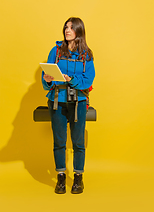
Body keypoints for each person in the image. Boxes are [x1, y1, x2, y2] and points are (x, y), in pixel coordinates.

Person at [41, 17, 95, 194]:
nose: (67, 30)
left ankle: (78, 178)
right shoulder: (55, 51)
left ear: (79, 30)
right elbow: (45, 79)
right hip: (58, 101)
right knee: (59, 141)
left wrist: (72, 80)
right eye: (65, 27)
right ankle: (61, 177)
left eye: (71, 27)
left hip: (78, 102)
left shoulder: (86, 54)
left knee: (78, 142)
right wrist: (47, 79)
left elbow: (88, 80)